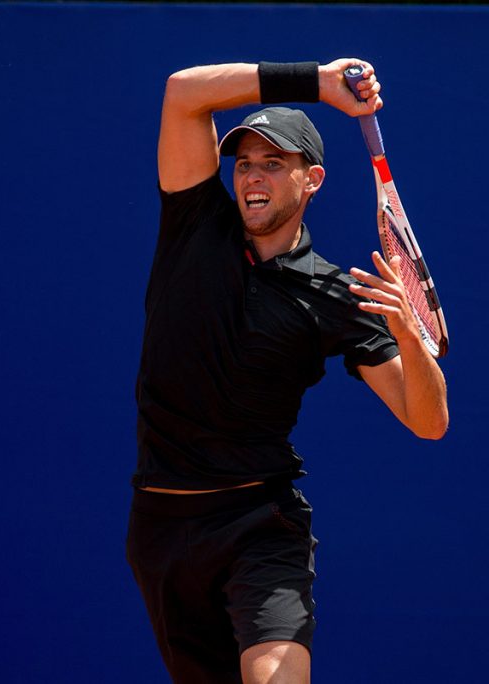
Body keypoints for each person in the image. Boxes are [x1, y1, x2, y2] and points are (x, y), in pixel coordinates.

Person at [125, 59, 449, 684]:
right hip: (161, 524)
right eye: (245, 162)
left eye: (274, 163)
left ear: (313, 180)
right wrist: (316, 82)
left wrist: (410, 337)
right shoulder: (193, 222)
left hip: (260, 524)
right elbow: (182, 92)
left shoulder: (340, 295)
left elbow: (429, 421)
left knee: (277, 674)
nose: (252, 175)